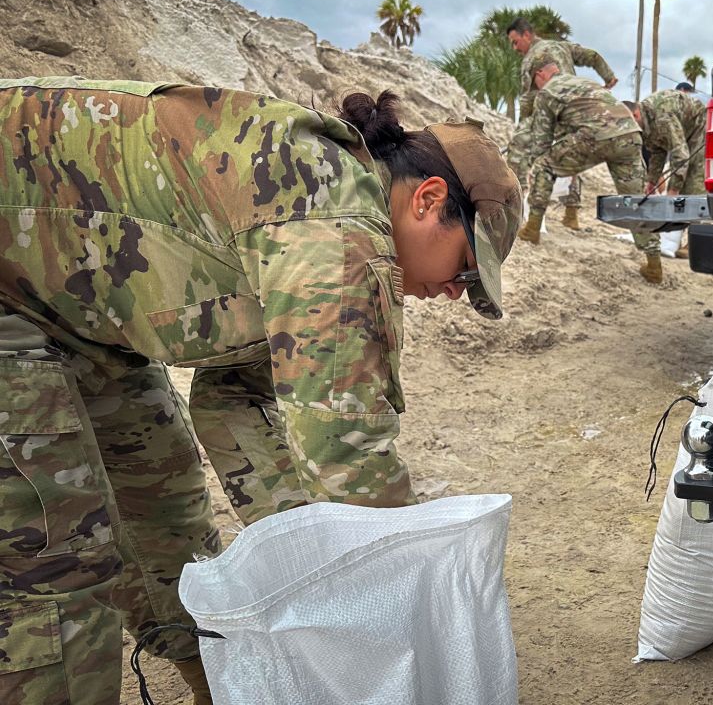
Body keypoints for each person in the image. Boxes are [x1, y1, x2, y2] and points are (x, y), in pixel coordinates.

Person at [0, 78, 521, 705]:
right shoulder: (334, 222)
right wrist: (409, 617)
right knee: (58, 565)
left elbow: (235, 403)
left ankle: (213, 686)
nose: (455, 292)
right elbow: (347, 459)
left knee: (166, 511)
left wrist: (309, 567)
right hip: (16, 297)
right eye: (466, 269)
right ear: (428, 200)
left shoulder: (307, 224)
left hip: (76, 313)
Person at [516, 63, 662, 283]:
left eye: (533, 82)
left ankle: (532, 228)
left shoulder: (547, 92)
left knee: (544, 166)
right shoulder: (584, 83)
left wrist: (538, 163)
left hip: (596, 135)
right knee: (635, 201)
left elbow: (542, 141)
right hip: (630, 135)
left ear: (540, 75)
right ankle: (654, 265)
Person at [506, 17, 618, 230]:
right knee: (571, 159)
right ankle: (571, 213)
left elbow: (528, 99)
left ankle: (516, 204)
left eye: (515, 41)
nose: (514, 47)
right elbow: (592, 56)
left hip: (550, 112)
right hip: (576, 111)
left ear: (527, 35)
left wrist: (523, 126)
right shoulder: (562, 47)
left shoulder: (532, 58)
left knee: (520, 151)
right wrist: (608, 76)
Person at [625, 89, 706, 197]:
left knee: (693, 182)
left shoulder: (661, 117)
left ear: (635, 115)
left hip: (698, 125)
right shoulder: (645, 122)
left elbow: (681, 155)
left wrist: (673, 190)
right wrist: (652, 182)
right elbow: (657, 152)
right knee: (682, 184)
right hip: (683, 130)